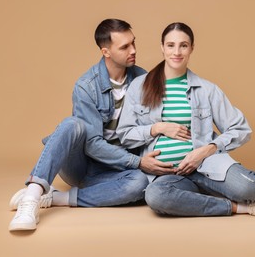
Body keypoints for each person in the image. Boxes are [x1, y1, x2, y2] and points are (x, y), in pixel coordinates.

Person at [9, 19, 173, 231]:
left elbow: (153, 123)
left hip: (116, 169)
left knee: (141, 184)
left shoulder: (142, 79)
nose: (133, 50)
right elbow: (93, 144)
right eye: (124, 47)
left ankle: (59, 198)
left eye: (133, 43)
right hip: (82, 166)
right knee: (72, 124)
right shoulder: (86, 86)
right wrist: (138, 161)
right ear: (106, 51)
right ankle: (32, 196)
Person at [117, 22, 255, 218]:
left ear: (191, 48)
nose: (177, 51)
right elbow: (125, 134)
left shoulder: (207, 90)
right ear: (162, 47)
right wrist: (157, 128)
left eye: (183, 45)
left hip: (206, 166)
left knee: (251, 189)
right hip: (168, 176)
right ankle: (245, 207)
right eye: (171, 45)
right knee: (156, 197)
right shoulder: (140, 86)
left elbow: (241, 129)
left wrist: (206, 150)